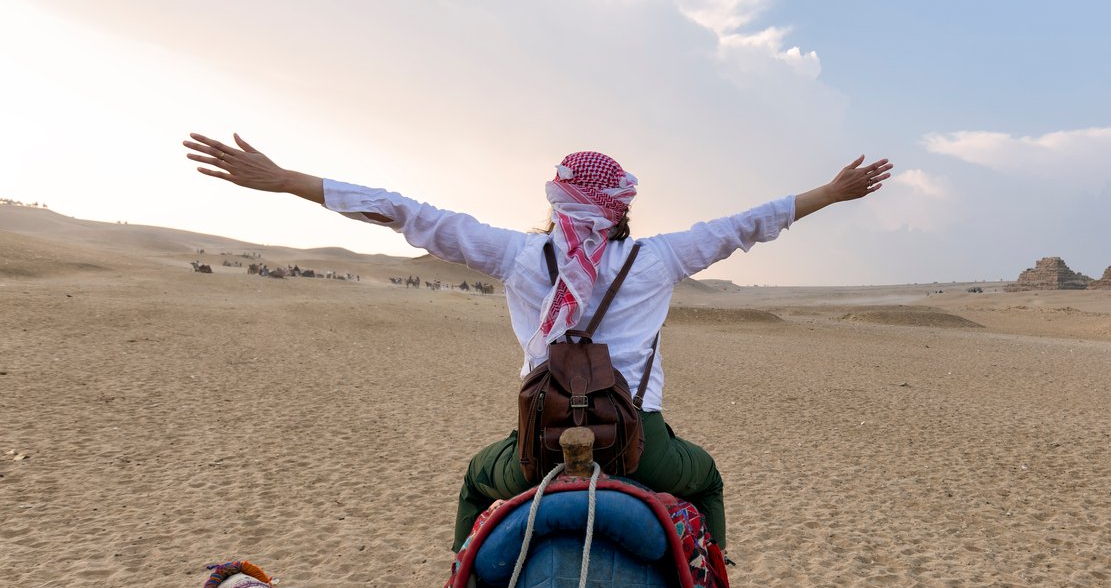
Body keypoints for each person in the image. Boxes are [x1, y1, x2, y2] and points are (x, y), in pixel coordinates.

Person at [184, 132, 891, 549]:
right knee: (704, 480)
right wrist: (829, 193)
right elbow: (750, 222)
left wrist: (284, 181)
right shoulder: (661, 258)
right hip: (642, 447)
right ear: (620, 209)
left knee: (473, 482)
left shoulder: (517, 257)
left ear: (556, 203)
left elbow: (407, 214)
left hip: (537, 446)